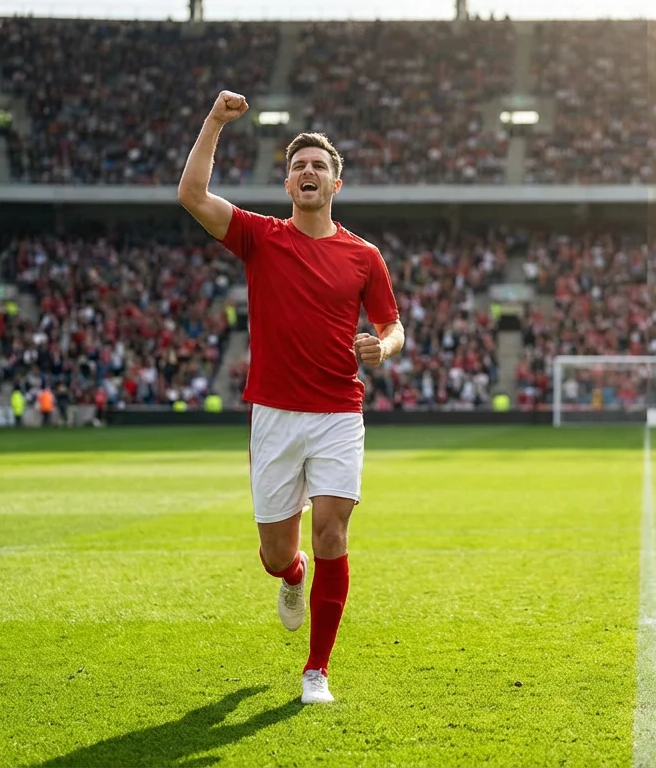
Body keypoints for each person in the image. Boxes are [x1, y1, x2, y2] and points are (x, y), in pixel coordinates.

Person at [178, 90, 405, 705]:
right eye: (299, 165)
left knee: (332, 530)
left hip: (338, 412)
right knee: (277, 554)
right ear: (287, 183)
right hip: (274, 415)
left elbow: (392, 324)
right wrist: (214, 121)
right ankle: (292, 573)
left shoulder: (364, 256)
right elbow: (192, 195)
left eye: (319, 166)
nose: (309, 172)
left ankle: (316, 670)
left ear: (335, 183)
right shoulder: (261, 237)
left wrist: (384, 347)